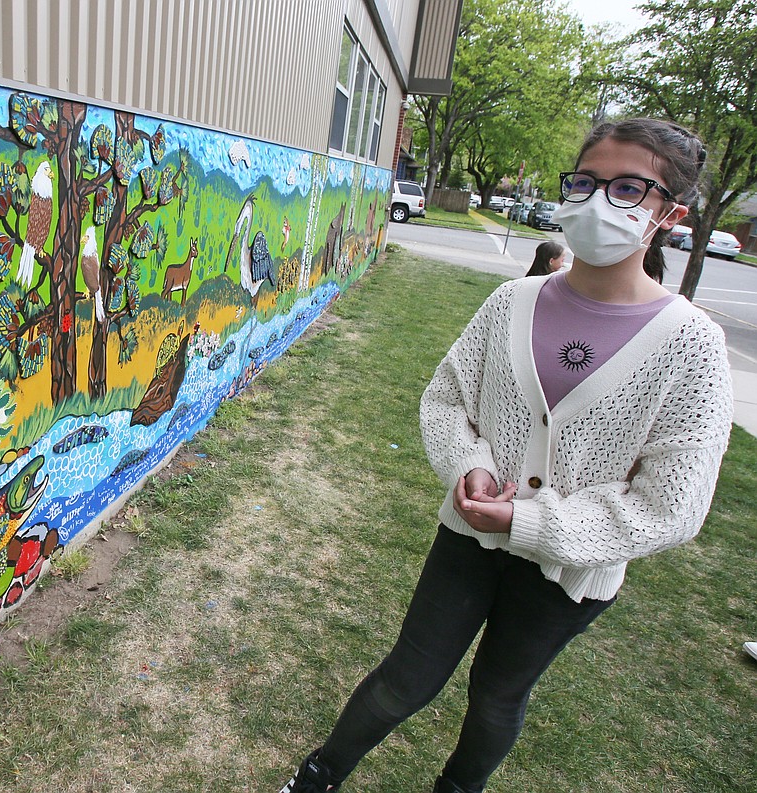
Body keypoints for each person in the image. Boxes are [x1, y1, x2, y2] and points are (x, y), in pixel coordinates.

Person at [281, 118, 734, 793]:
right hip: (468, 536)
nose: (596, 200)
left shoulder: (692, 345)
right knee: (408, 675)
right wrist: (471, 466)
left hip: (567, 573)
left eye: (627, 187)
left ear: (669, 213)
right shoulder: (511, 302)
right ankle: (317, 775)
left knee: (497, 695)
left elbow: (672, 506)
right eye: (585, 181)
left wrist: (528, 522)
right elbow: (444, 400)